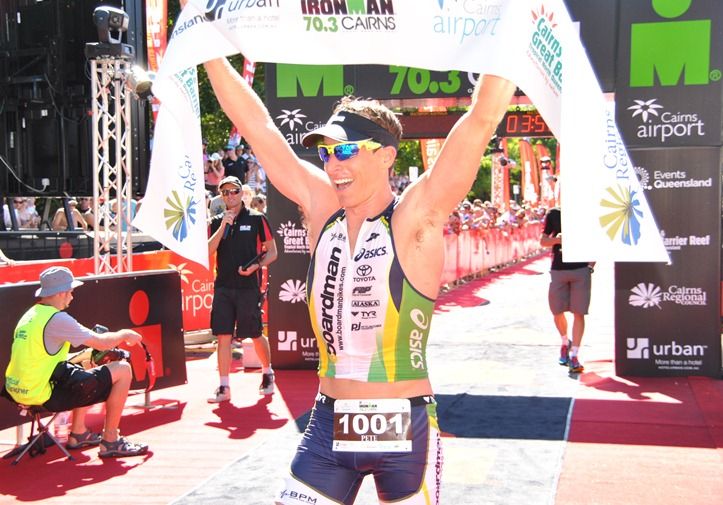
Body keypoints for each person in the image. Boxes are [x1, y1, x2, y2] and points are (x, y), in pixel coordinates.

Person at [200, 45, 515, 502]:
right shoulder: (321, 207)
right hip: (328, 422)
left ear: (387, 156)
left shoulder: (414, 218)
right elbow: (258, 128)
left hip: (403, 425)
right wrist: (207, 45)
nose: (333, 164)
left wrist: (515, 28)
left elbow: (481, 120)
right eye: (327, 153)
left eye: (346, 150)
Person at [3, 266, 148, 457]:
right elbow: (102, 342)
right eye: (70, 292)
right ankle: (111, 440)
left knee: (86, 362)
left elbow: (43, 359)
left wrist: (85, 356)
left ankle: (78, 433)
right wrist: (125, 334)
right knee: (123, 369)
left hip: (17, 390)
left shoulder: (30, 315)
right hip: (41, 393)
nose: (72, 297)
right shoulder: (57, 319)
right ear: (61, 293)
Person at [207, 177, 278, 403]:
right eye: (225, 193)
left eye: (234, 191)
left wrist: (256, 266)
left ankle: (267, 373)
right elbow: (208, 250)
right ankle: (224, 386)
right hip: (224, 287)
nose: (230, 196)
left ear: (241, 193)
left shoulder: (257, 219)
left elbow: (273, 252)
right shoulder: (217, 221)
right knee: (223, 335)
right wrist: (222, 227)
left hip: (249, 287)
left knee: (255, 333)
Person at [539, 206, 594, 373]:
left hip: (581, 270)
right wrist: (559, 240)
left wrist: (590, 266)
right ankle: (565, 342)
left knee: (579, 312)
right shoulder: (554, 213)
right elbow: (543, 241)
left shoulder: (588, 210)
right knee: (556, 311)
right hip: (558, 270)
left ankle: (575, 355)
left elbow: (597, 240)